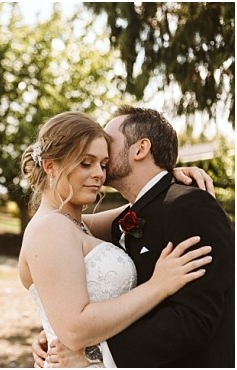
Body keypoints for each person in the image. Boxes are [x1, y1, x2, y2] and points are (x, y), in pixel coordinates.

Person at [32, 106, 234, 367]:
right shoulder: (126, 217)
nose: (101, 147)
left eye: (109, 142)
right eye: (86, 161)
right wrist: (54, 327)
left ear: (140, 149)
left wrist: (94, 350)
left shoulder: (191, 207)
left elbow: (193, 320)